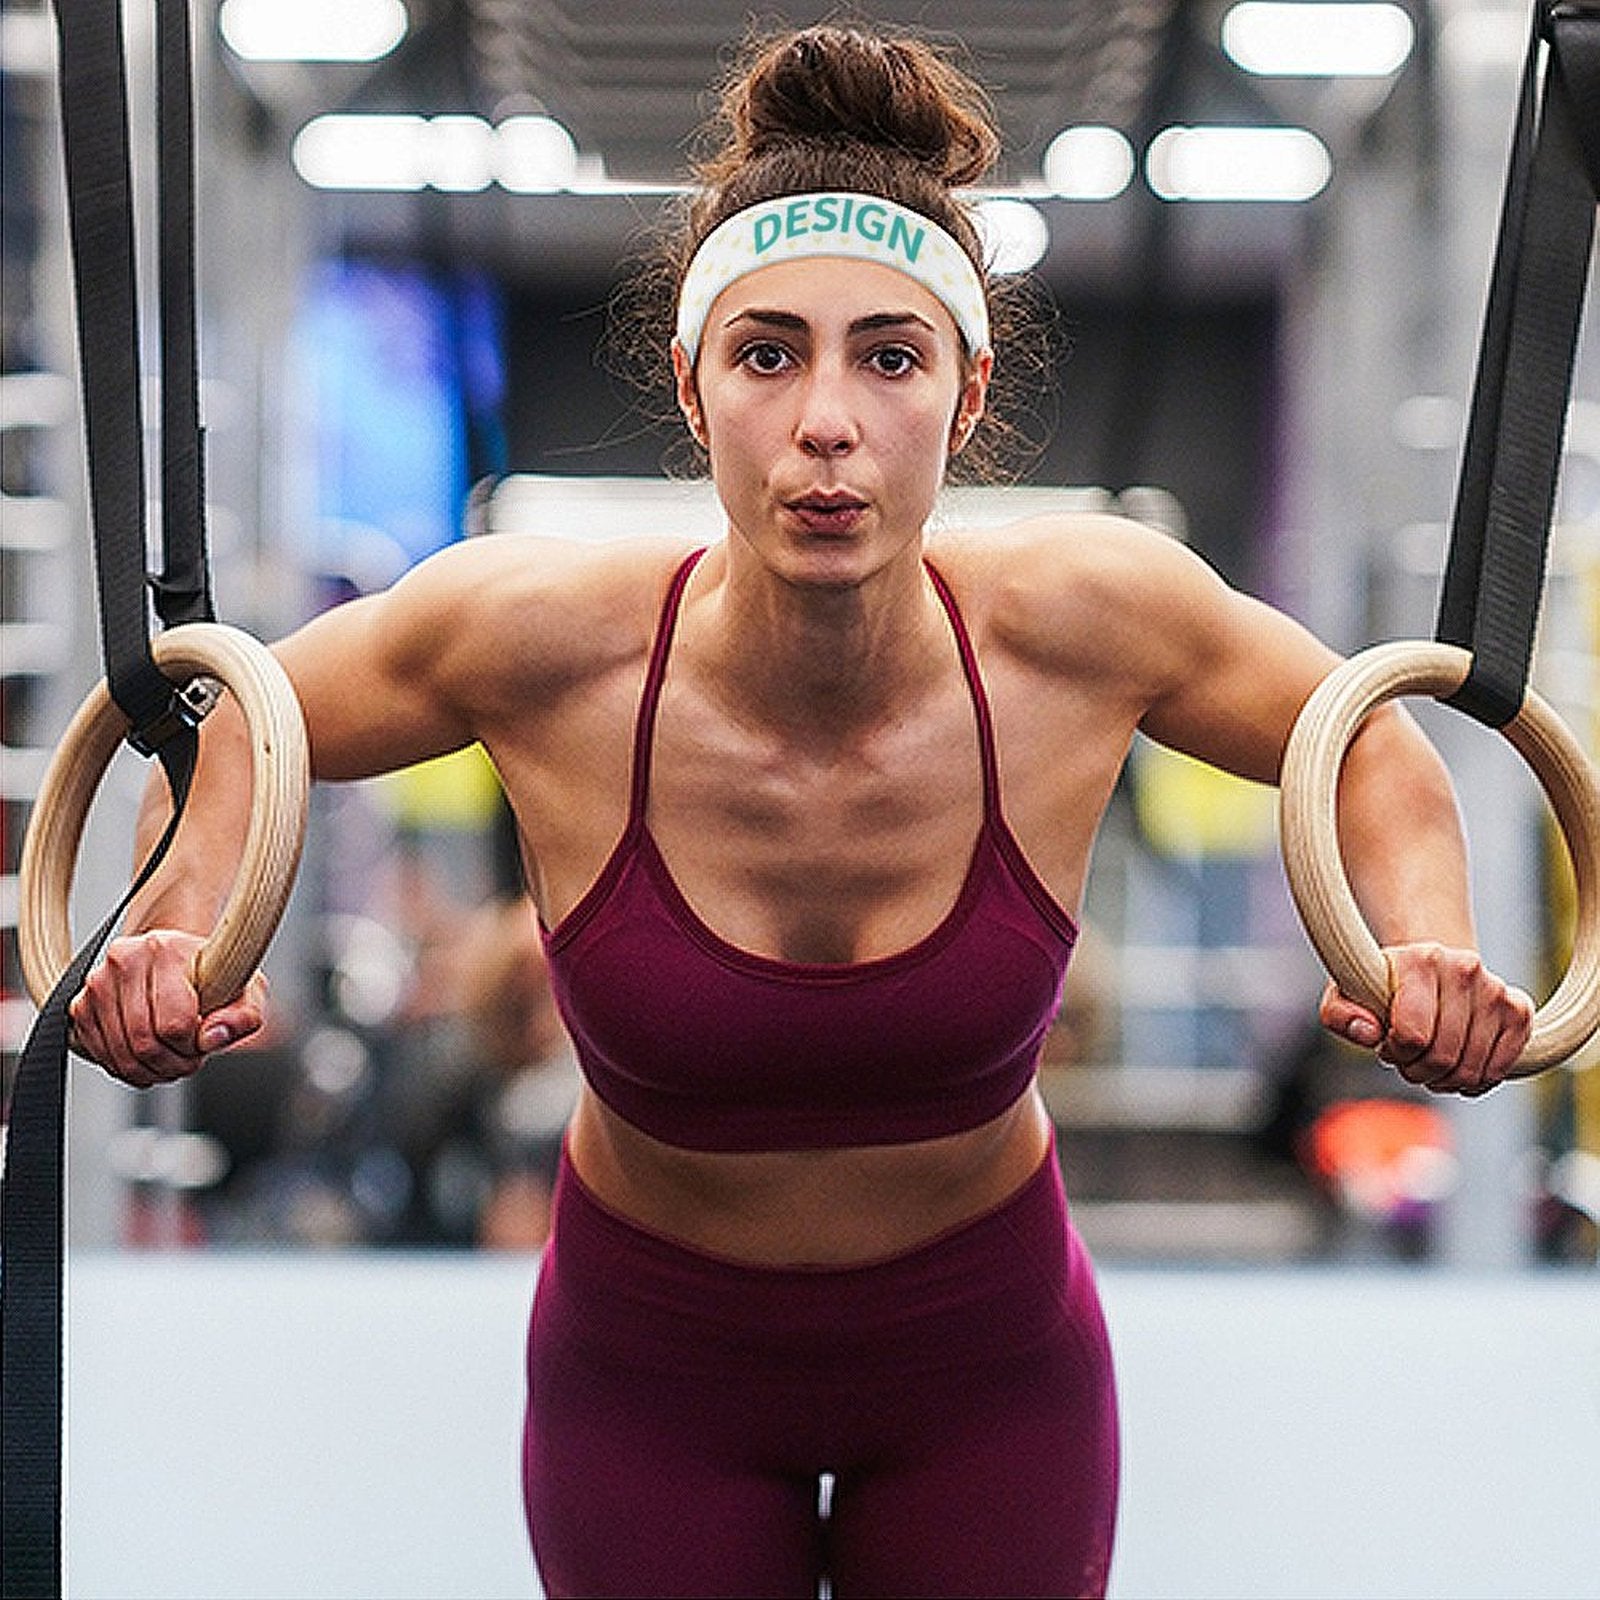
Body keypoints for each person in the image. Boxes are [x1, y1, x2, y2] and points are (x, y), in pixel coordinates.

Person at [68, 22, 1535, 1599]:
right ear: (694, 389)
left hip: (985, 1369)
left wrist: (1427, 947)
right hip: (653, 1374)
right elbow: (243, 721)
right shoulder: (533, 637)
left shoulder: (1092, 618)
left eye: (888, 358)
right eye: (767, 355)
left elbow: (1367, 744)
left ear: (966, 395)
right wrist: (179, 940)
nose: (826, 419)